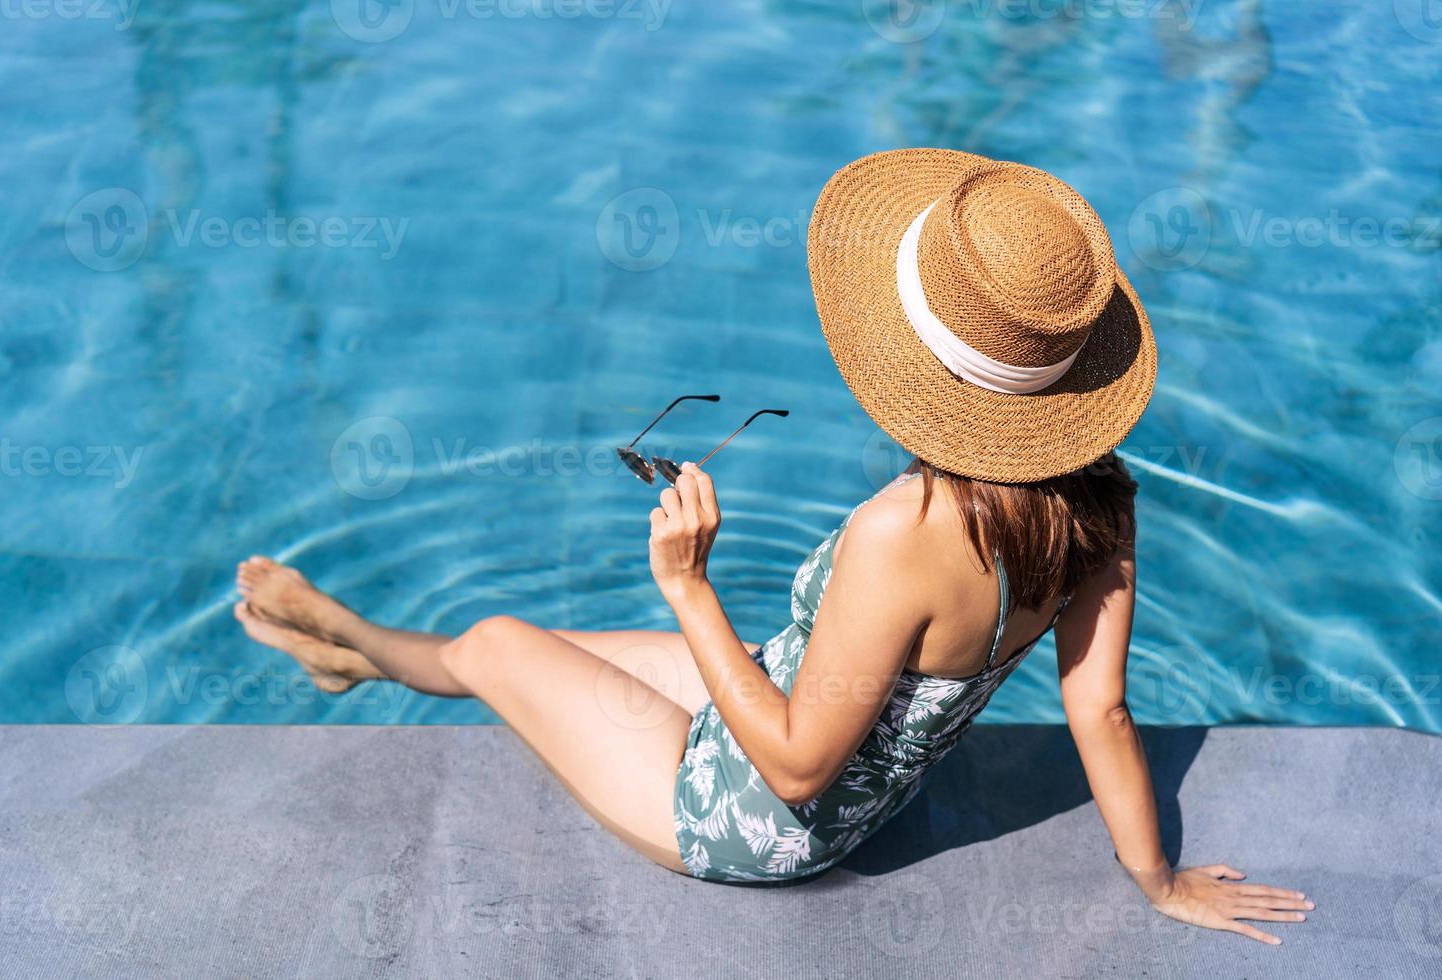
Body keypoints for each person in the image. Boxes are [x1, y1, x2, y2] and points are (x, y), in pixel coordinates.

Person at [235, 149, 1310, 944]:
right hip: (841, 765)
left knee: (500, 642)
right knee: (562, 651)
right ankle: (356, 649)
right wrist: (1157, 879)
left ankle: (350, 642)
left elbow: (795, 765)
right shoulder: (1103, 508)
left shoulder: (904, 532)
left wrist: (689, 586)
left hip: (757, 814)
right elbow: (1101, 710)